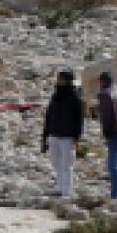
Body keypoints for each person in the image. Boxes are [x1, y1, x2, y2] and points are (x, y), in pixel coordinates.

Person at [43, 70, 85, 198]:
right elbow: (49, 116)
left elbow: (79, 119)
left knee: (67, 164)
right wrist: (45, 135)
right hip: (54, 134)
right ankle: (60, 187)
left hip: (68, 136)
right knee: (56, 162)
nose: (58, 81)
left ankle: (67, 191)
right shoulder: (55, 96)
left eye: (60, 79)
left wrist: (77, 137)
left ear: (67, 81)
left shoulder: (75, 98)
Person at [100, 71, 117, 201]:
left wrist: (106, 132)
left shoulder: (105, 94)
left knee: (113, 163)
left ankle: (115, 193)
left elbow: (107, 116)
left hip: (114, 131)